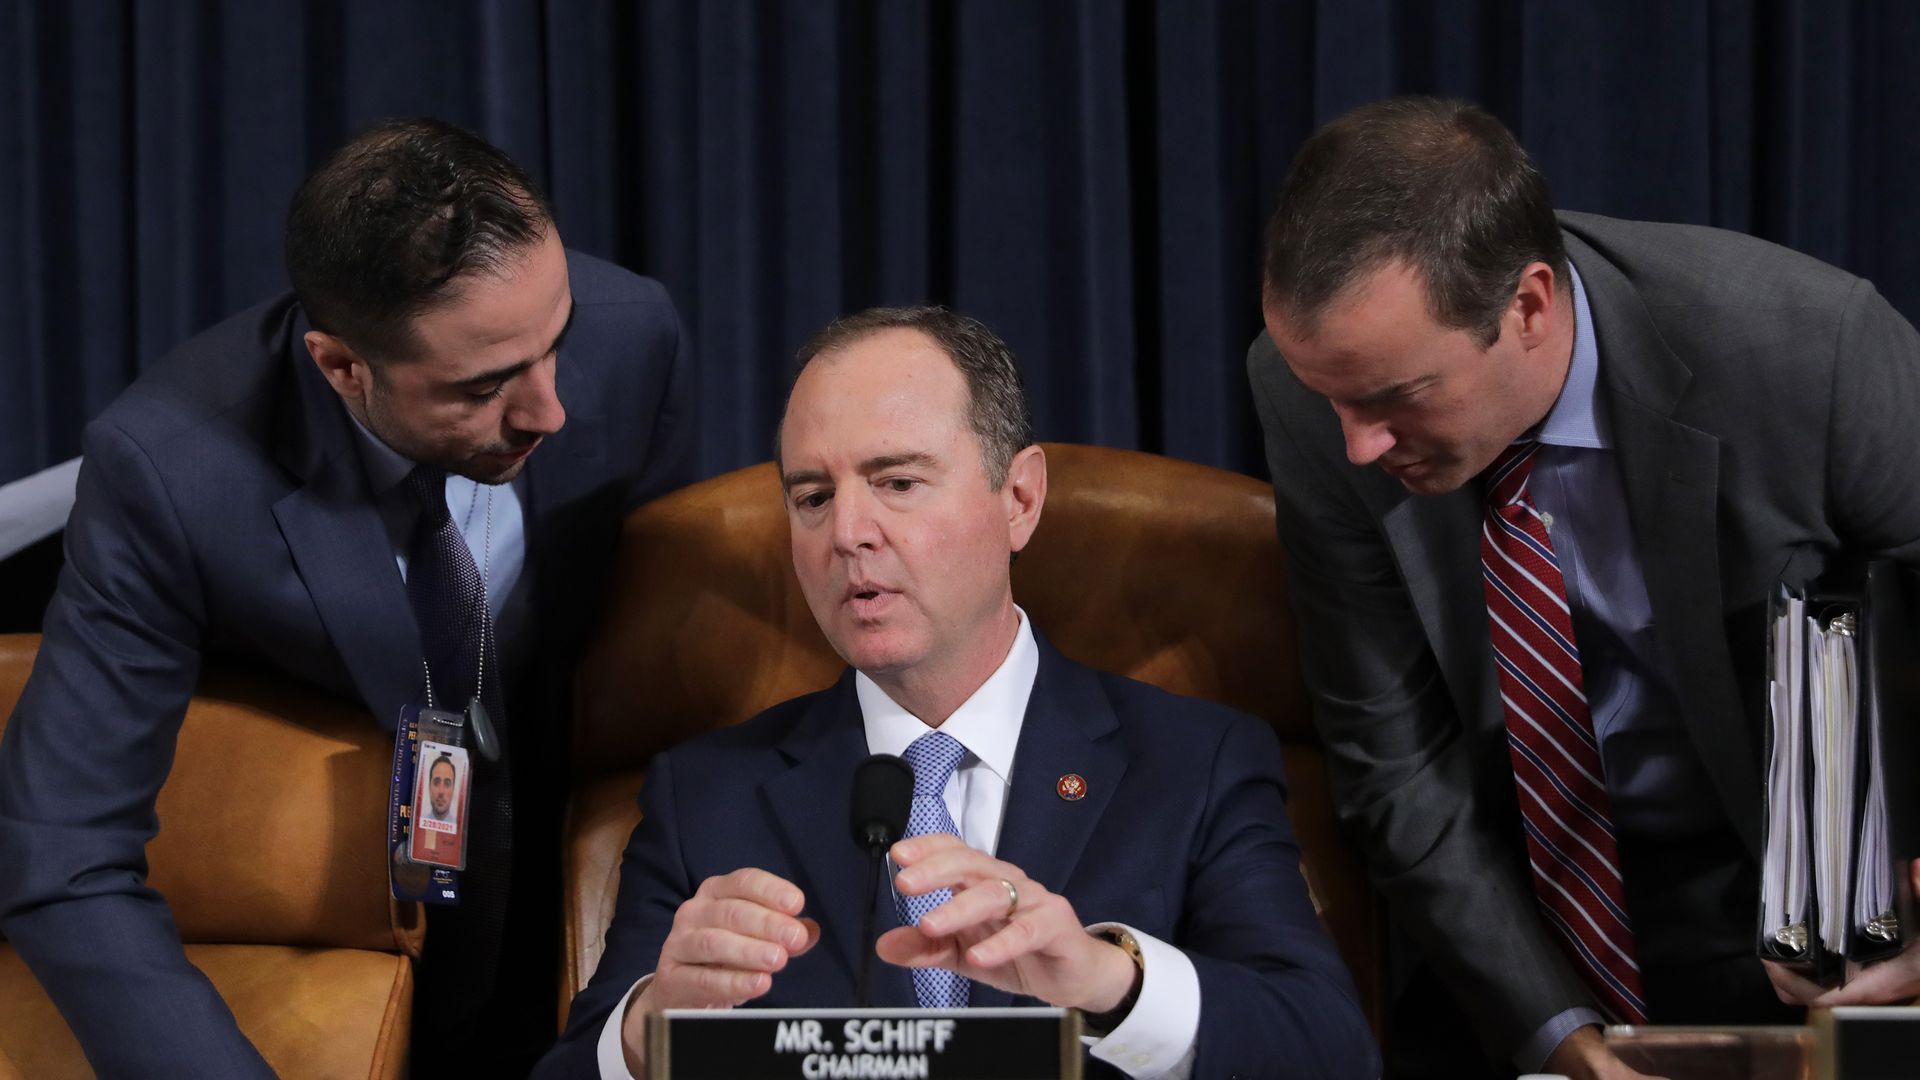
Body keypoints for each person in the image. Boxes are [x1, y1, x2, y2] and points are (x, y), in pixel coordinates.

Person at [0, 117, 696, 1077]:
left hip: (558, 863)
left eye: (555, 342)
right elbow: (62, 853)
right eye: (485, 385)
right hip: (364, 883)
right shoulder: (171, 473)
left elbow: (656, 655)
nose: (550, 410)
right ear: (342, 367)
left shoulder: (634, 332)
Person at [1247, 96, 1920, 1080]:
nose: (1357, 445)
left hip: (1808, 921)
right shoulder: (1308, 390)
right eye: (1334, 401)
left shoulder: (1807, 350)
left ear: (1528, 306)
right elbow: (1396, 767)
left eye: (1396, 399)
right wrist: (1563, 1042)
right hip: (1514, 930)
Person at [534, 306, 1379, 1080]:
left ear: (1019, 499)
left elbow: (1328, 1049)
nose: (849, 534)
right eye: (813, 496)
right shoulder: (706, 794)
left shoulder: (1194, 764)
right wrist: (649, 1030)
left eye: (898, 482)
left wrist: (1106, 980)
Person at [426, 754, 458, 822]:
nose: (441, 791)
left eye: (447, 784)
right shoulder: (417, 822)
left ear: (453, 789)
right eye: (436, 783)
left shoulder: (459, 827)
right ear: (429, 786)